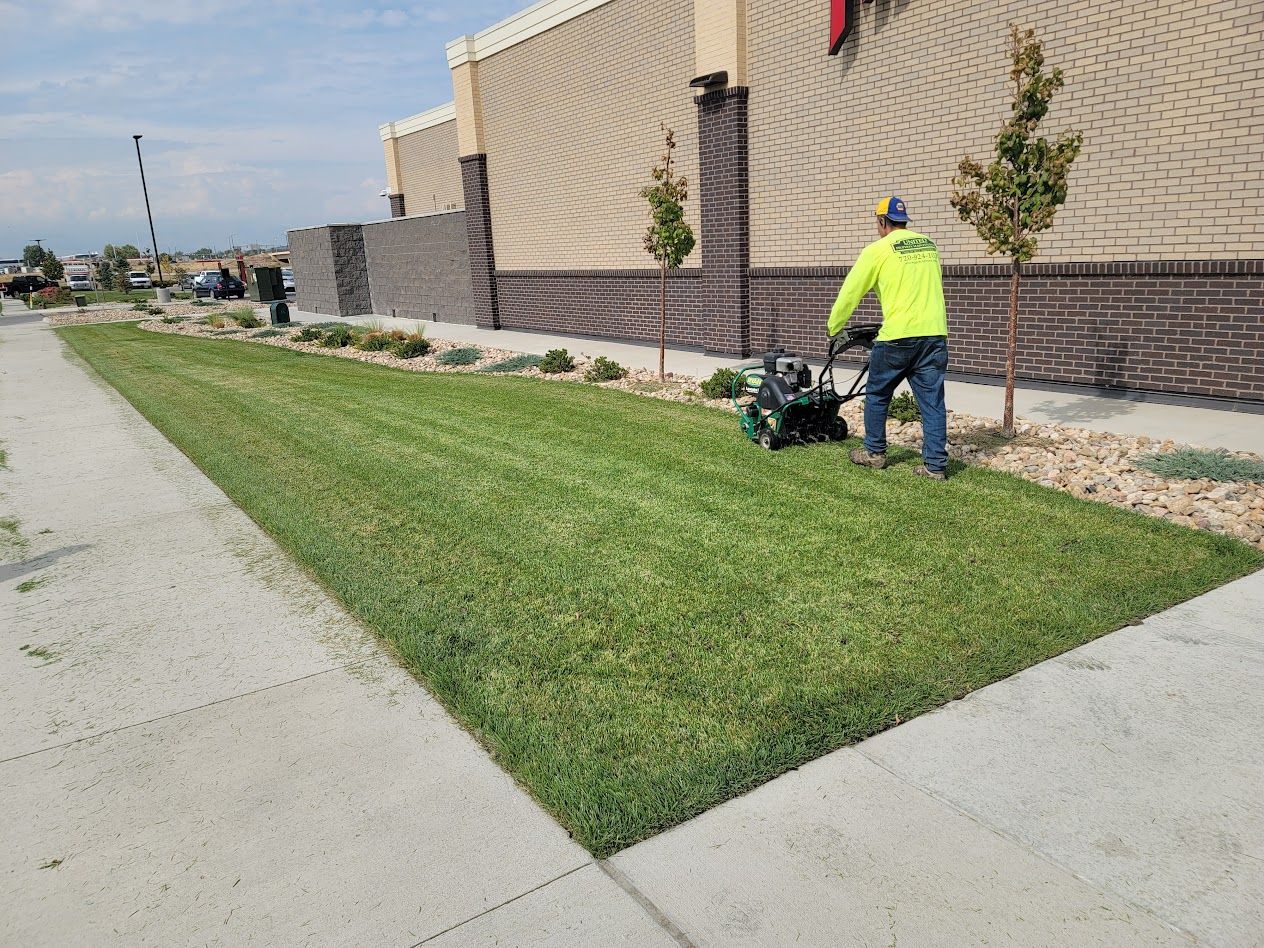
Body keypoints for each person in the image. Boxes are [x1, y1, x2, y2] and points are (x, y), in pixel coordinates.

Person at [827, 196, 949, 480]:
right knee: (932, 402)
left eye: (877, 222)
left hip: (898, 337)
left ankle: (874, 453)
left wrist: (834, 327)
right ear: (903, 220)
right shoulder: (929, 245)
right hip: (934, 335)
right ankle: (935, 467)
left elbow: (850, 292)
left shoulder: (877, 250)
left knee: (878, 394)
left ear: (882, 221)